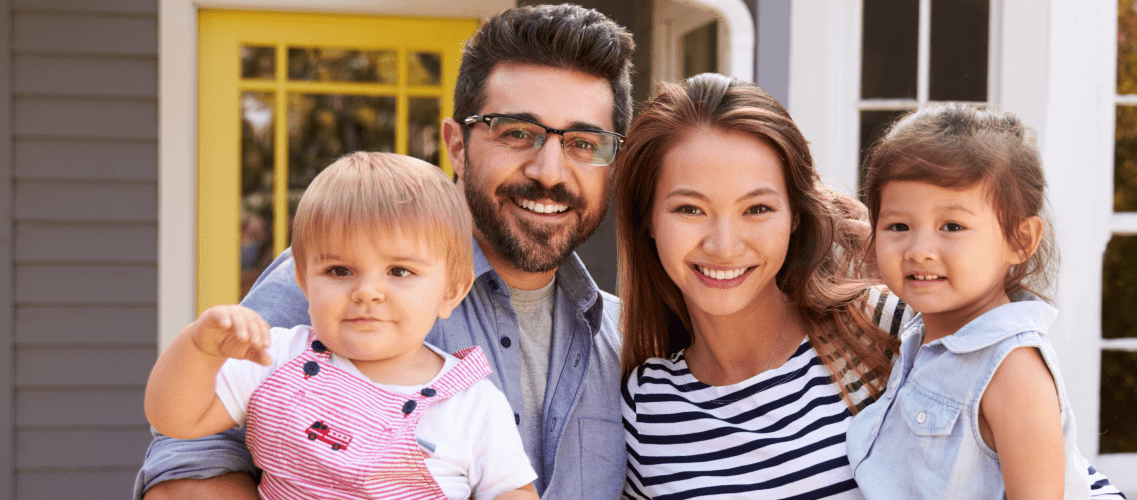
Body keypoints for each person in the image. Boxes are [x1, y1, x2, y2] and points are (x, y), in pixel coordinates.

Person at [135, 4, 635, 499]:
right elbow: (188, 458)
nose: (549, 171)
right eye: (517, 133)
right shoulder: (336, 283)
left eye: (584, 144)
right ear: (457, 146)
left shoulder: (627, 339)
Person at [145, 152, 540, 500]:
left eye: (399, 271)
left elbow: (513, 490)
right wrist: (198, 348)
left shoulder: (472, 404)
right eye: (340, 270)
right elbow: (177, 419)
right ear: (303, 282)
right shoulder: (278, 357)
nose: (367, 292)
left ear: (452, 290)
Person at [613, 73, 903, 499]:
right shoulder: (645, 406)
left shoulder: (879, 329)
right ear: (649, 220)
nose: (724, 246)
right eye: (690, 209)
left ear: (796, 216)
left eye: (757, 208)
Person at [846, 104, 1121, 499]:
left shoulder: (1011, 368)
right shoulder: (923, 333)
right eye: (898, 226)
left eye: (952, 226)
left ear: (1020, 240)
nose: (919, 250)